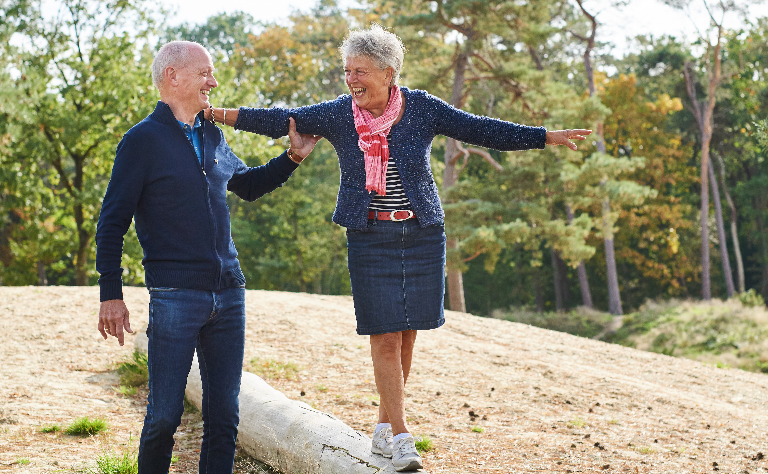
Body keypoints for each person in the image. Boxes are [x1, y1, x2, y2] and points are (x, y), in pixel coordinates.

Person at [206, 25, 590, 472]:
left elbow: (480, 129)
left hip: (422, 234)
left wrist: (543, 136)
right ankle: (403, 434)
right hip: (370, 236)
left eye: (361, 71)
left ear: (389, 72)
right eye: (347, 70)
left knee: (407, 333)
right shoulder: (337, 115)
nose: (351, 79)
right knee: (384, 333)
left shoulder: (421, 108)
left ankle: (385, 425)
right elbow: (276, 119)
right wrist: (213, 112)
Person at [95, 40, 321, 474]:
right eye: (204, 74)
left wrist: (293, 157)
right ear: (172, 77)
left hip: (229, 294)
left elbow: (248, 185)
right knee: (163, 417)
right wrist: (111, 294)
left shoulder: (212, 135)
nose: (213, 82)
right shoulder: (141, 141)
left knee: (224, 418)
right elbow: (112, 223)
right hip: (175, 295)